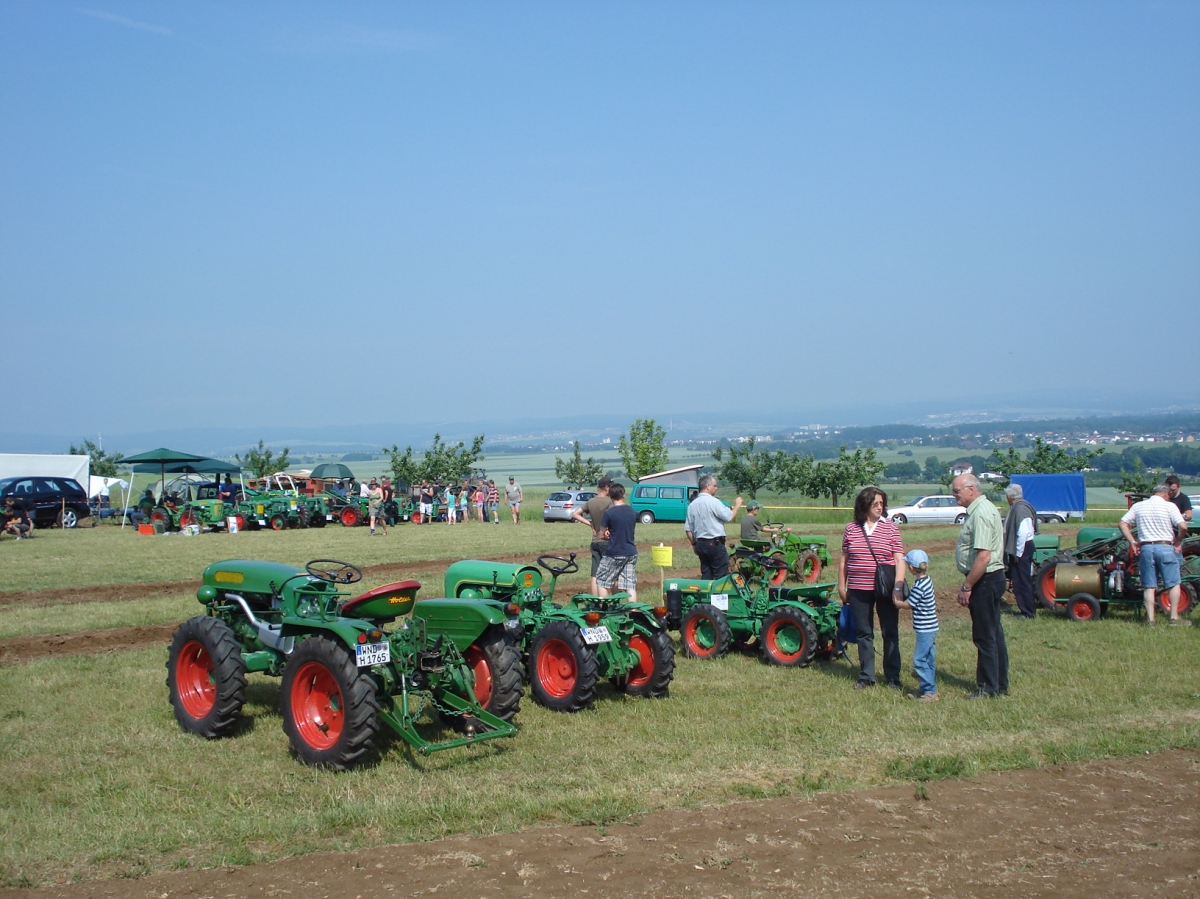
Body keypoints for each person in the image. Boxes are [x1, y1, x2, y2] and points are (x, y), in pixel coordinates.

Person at [837, 486, 906, 690]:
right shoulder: (851, 528)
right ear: (864, 504)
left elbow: (899, 559)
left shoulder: (890, 528)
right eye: (875, 503)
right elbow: (844, 560)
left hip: (885, 588)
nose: (879, 507)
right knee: (863, 632)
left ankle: (893, 677)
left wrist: (898, 586)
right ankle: (866, 676)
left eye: (882, 503)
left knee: (889, 631)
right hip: (858, 588)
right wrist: (842, 585)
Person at [952, 473, 1009, 698]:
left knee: (985, 636)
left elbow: (983, 556)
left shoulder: (982, 514)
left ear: (971, 490)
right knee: (994, 633)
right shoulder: (980, 510)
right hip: (989, 578)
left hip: (985, 580)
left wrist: (967, 586)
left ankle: (988, 687)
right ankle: (999, 684)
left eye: (957, 491)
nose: (954, 495)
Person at [1119, 483, 1189, 626]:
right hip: (1165, 546)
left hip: (1146, 548)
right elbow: (1183, 526)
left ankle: (1150, 620)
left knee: (1149, 585)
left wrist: (1133, 542)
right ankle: (1174, 618)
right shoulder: (1169, 506)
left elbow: (1122, 524)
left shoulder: (1139, 506)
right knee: (1173, 583)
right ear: (1165, 494)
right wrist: (1178, 540)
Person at [894, 549, 939, 702]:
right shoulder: (927, 580)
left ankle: (930, 691)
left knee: (919, 660)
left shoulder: (919, 586)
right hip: (931, 627)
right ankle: (926, 688)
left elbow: (910, 604)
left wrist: (898, 603)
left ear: (912, 568)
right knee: (928, 659)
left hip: (924, 629)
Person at [685, 475, 744, 579]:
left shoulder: (692, 505)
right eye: (715, 486)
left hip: (700, 544)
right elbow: (729, 517)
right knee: (720, 575)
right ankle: (717, 595)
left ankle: (705, 594)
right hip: (715, 543)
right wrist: (737, 505)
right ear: (708, 486)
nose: (716, 488)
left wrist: (694, 544)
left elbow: (688, 529)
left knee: (706, 574)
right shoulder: (714, 502)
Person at [571, 477, 615, 594]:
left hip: (595, 541)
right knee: (611, 572)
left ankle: (595, 601)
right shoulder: (609, 502)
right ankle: (614, 601)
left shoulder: (591, 501)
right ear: (606, 488)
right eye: (611, 486)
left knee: (595, 574)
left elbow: (575, 514)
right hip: (607, 541)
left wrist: (590, 524)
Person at [596, 483, 638, 602]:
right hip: (631, 552)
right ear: (623, 494)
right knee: (630, 585)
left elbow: (601, 535)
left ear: (610, 496)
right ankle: (633, 612)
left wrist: (608, 535)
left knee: (601, 580)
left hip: (614, 552)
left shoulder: (609, 513)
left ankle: (605, 610)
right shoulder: (631, 511)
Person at [1002, 483, 1038, 619]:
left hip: (1022, 548)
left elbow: (1023, 533)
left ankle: (1027, 612)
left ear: (1009, 496)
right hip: (1023, 547)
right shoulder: (1021, 506)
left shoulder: (1020, 509)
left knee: (1021, 581)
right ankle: (1027, 610)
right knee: (1021, 580)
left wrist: (1018, 553)